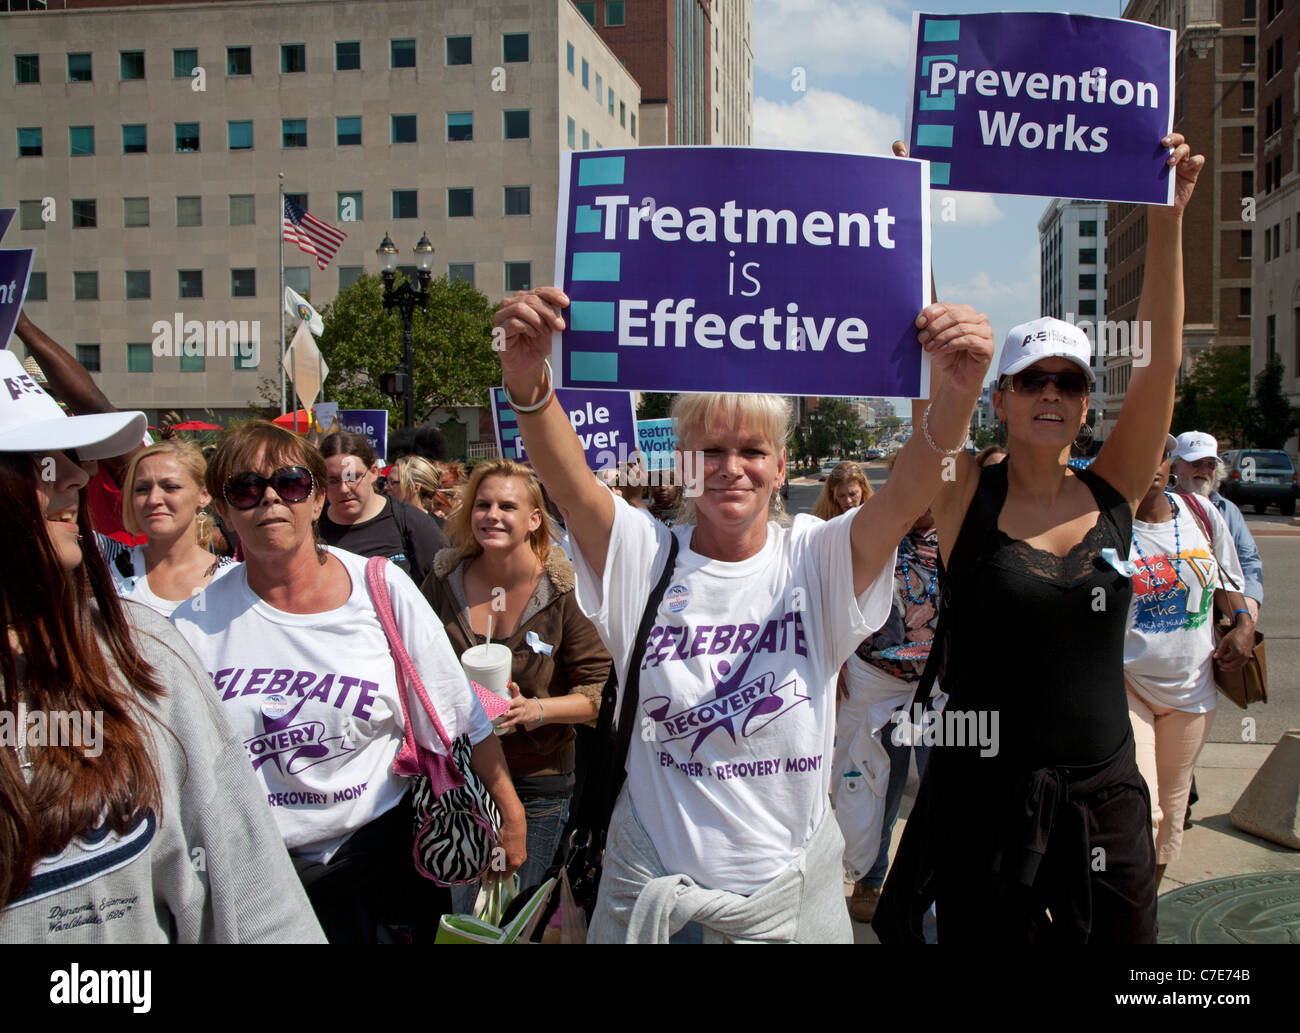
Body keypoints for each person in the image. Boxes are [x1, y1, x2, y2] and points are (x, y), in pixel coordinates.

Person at [492, 284, 992, 943]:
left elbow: (906, 492)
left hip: (791, 904)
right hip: (658, 903)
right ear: (686, 465)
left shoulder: (817, 559)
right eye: (712, 452)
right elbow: (570, 482)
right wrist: (528, 382)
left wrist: (957, 393)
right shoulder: (644, 555)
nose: (733, 468)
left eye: (753, 451)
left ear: (781, 466)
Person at [875, 134, 1205, 945]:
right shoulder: (961, 497)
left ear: (1088, 402)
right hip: (986, 799)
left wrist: (1169, 219)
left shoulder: (1114, 486)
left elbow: (1159, 363)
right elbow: (934, 361)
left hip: (1106, 801)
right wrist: (912, 213)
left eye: (1071, 381)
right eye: (1033, 379)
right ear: (1002, 397)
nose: (1051, 393)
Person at [0, 352, 323, 943]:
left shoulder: (140, 650)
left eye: (290, 486)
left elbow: (257, 906)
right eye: (38, 462)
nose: (74, 475)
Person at [170, 421, 526, 942]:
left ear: (316, 501)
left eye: (290, 484)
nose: (270, 500)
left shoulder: (379, 587)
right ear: (222, 510)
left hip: (378, 861)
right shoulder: (191, 625)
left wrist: (510, 814)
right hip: (256, 872)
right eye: (246, 489)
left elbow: (458, 714)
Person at [422, 458, 612, 907]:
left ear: (533, 519)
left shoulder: (565, 589)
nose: (492, 515)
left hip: (537, 777)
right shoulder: (444, 579)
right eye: (483, 504)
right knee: (467, 912)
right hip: (457, 778)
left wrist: (534, 710)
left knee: (515, 913)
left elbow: (599, 694)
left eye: (507, 506)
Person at [1125, 434, 1253, 886]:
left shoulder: (1203, 514)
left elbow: (1226, 578)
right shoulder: (1107, 524)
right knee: (1142, 806)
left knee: (1172, 815)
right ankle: (1117, 909)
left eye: (1161, 454)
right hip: (1128, 685)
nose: (1154, 464)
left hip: (1193, 689)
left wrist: (1242, 622)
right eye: (1142, 453)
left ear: (1171, 462)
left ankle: (1144, 914)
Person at [835, 506, 942, 924]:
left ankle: (932, 882)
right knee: (878, 781)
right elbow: (842, 594)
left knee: (941, 785)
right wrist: (840, 653)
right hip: (875, 680)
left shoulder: (958, 533)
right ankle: (869, 877)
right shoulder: (876, 532)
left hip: (936, 688)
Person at [103, 440, 236, 617]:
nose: (153, 499)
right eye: (142, 489)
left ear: (204, 495)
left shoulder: (232, 578)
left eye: (171, 487)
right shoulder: (108, 562)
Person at [318, 431, 447, 585]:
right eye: (333, 480)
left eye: (352, 477)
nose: (344, 488)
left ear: (373, 472)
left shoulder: (411, 521)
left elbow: (443, 590)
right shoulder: (311, 528)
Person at [1170, 431, 1263, 622]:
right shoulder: (1159, 505)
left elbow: (1248, 559)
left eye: (1210, 465)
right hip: (1172, 610)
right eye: (1195, 463)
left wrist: (1250, 599)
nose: (1204, 470)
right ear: (1175, 466)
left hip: (1217, 612)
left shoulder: (1228, 510)